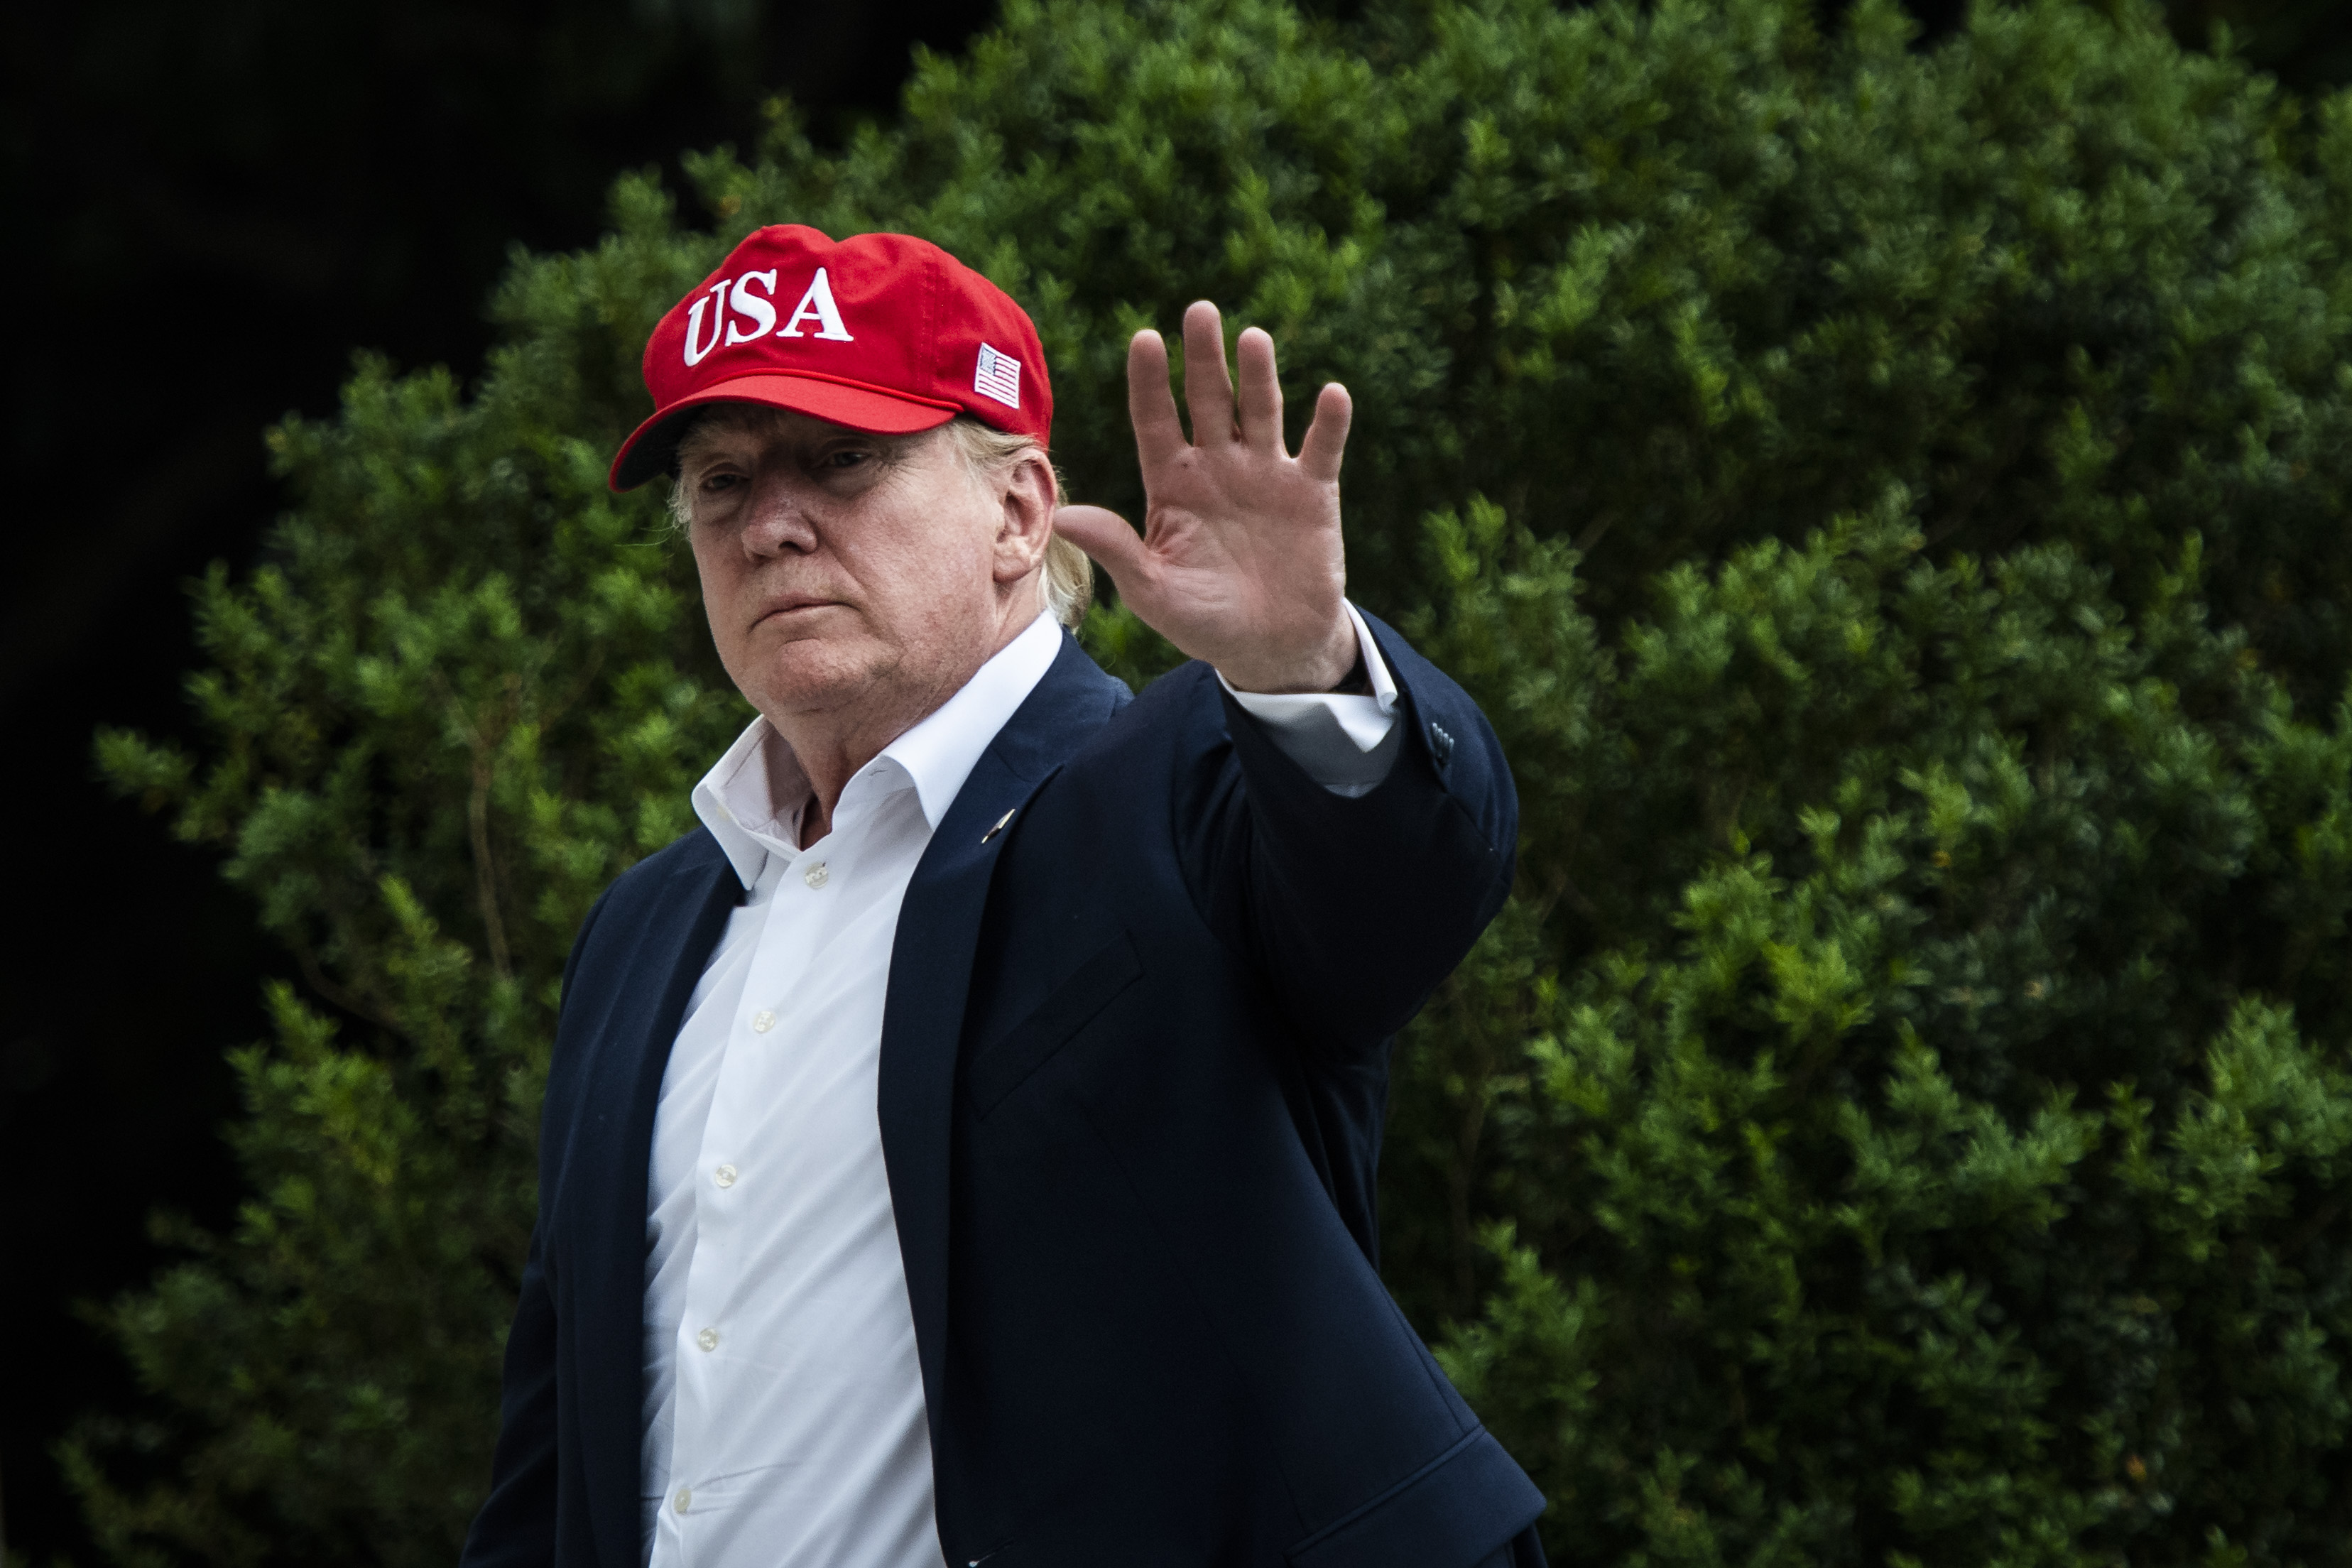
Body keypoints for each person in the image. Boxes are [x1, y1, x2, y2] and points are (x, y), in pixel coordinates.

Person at [458, 224, 1545, 1568]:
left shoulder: (1177, 779)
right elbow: (556, 1461)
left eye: (846, 460)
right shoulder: (641, 933)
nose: (771, 523)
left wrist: (1304, 667)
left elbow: (1401, 897)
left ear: (1019, 514)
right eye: (722, 480)